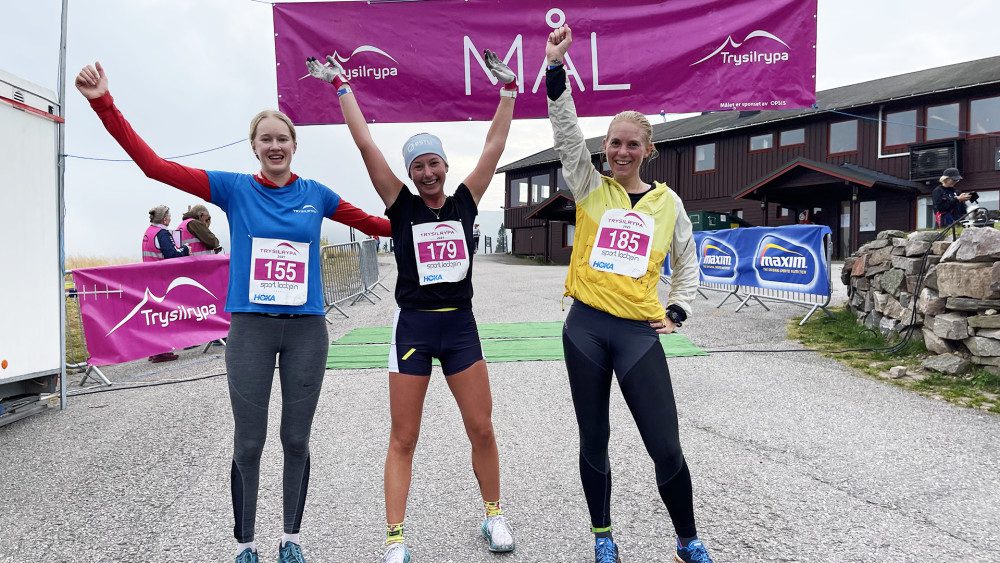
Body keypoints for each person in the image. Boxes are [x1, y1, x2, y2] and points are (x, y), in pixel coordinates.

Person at [75, 61, 392, 563]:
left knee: (295, 438)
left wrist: (435, 217)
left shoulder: (317, 195)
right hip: (250, 330)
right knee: (249, 441)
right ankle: (245, 544)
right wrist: (104, 103)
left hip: (307, 332)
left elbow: (379, 224)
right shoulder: (232, 189)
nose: (274, 146)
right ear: (254, 147)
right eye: (265, 139)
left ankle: (291, 537)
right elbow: (155, 167)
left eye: (282, 139)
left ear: (293, 145)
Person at [306, 50, 517, 563]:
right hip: (413, 329)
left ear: (445, 166)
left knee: (482, 427)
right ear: (409, 172)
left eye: (434, 163)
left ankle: (493, 515)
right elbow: (364, 143)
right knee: (403, 436)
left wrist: (508, 92)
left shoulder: (466, 199)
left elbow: (494, 144)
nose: (427, 172)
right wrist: (342, 86)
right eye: (418, 166)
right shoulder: (399, 205)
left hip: (460, 326)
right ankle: (395, 539)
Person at [544, 27, 714, 563]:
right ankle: (603, 538)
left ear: (647, 150)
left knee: (665, 444)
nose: (620, 150)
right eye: (613, 142)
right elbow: (566, 132)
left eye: (631, 143)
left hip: (639, 332)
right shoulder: (591, 187)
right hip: (587, 328)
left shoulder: (668, 203)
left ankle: (687, 538)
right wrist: (555, 69)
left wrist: (679, 308)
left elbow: (688, 260)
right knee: (594, 440)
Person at [143, 204, 189, 362]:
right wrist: (185, 249)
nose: (170, 218)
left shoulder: (149, 231)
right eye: (169, 216)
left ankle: (154, 350)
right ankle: (163, 351)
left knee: (155, 315)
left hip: (150, 277)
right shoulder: (162, 233)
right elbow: (172, 255)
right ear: (164, 218)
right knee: (164, 314)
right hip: (162, 279)